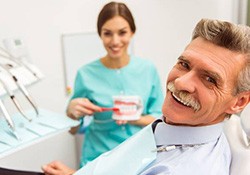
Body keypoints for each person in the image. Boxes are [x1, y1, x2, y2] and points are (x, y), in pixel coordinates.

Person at [42, 18, 250, 175]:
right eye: (184, 64)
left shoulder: (183, 167)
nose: (180, 82)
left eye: (209, 79)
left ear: (239, 101)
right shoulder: (174, 126)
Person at [64, 1, 163, 168]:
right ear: (100, 35)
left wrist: (135, 118)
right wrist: (71, 113)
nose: (115, 41)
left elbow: (160, 120)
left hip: (139, 158)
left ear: (132, 32)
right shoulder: (85, 73)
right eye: (108, 33)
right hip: (98, 159)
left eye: (122, 32)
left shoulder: (147, 69)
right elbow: (73, 129)